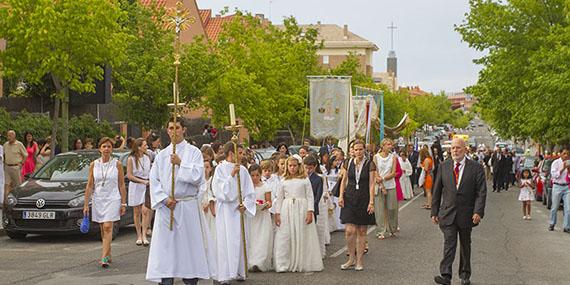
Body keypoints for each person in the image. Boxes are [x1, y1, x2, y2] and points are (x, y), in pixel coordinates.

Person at [145, 118, 216, 285]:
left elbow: (198, 177)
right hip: (166, 208)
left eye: (177, 127)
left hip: (186, 207)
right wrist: (164, 198)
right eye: (171, 128)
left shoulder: (193, 152)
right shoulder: (161, 155)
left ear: (183, 129)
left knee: (188, 249)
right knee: (166, 249)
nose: (174, 131)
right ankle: (166, 279)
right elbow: (153, 180)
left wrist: (180, 163)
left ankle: (190, 279)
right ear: (167, 130)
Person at [431, 138, 487, 285]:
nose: (455, 151)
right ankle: (446, 275)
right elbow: (437, 190)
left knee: (465, 244)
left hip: (466, 214)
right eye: (453, 148)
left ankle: (465, 275)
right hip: (447, 213)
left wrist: (478, 211)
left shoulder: (476, 168)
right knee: (449, 243)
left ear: (465, 149)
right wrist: (434, 211)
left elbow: (481, 192)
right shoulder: (444, 166)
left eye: (458, 148)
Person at [212, 142, 256, 284]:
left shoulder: (243, 170)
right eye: (240, 153)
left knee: (239, 240)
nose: (242, 156)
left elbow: (250, 192)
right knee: (226, 241)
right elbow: (221, 193)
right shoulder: (220, 169)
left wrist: (246, 205)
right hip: (225, 211)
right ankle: (225, 273)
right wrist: (231, 176)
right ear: (231, 153)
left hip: (239, 209)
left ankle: (239, 270)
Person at [83, 137, 127, 268]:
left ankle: (104, 257)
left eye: (109, 146)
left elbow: (121, 184)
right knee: (103, 228)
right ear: (99, 149)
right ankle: (108, 252)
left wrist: (123, 203)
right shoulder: (94, 164)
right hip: (98, 198)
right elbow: (90, 185)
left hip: (113, 198)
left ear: (112, 149)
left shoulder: (117, 164)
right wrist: (86, 204)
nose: (106, 149)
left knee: (108, 226)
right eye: (104, 146)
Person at [274, 156, 324, 273]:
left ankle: (303, 261)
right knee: (286, 235)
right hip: (287, 209)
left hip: (302, 208)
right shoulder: (283, 180)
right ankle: (284, 263)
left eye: (294, 165)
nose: (292, 168)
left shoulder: (305, 179)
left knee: (302, 233)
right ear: (287, 166)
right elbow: (279, 198)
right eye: (290, 166)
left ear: (299, 166)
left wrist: (310, 211)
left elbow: (310, 196)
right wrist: (277, 213)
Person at [338, 140, 375, 271]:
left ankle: (359, 260)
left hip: (364, 198)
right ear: (352, 150)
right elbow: (344, 180)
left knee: (361, 231)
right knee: (349, 230)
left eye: (361, 149)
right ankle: (351, 258)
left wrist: (371, 202)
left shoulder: (370, 164)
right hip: (349, 197)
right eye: (356, 149)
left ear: (364, 150)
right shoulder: (348, 162)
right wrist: (341, 196)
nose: (358, 152)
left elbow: (371, 183)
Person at [247, 164, 273, 272]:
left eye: (257, 175)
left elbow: (269, 202)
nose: (255, 178)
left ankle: (260, 262)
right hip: (251, 217)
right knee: (252, 239)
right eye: (252, 175)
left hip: (262, 216)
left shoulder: (265, 187)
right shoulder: (247, 188)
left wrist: (265, 205)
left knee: (262, 238)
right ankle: (251, 261)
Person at [126, 138, 151, 246]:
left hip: (145, 186)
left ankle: (144, 234)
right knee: (136, 212)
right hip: (136, 186)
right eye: (145, 145)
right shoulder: (131, 159)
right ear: (139, 147)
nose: (147, 147)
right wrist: (142, 181)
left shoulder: (147, 157)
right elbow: (130, 175)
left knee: (145, 211)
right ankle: (139, 235)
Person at [374, 138, 398, 240]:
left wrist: (383, 178)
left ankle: (392, 228)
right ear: (382, 146)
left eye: (390, 144)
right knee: (379, 209)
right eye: (387, 144)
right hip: (379, 185)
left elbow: (393, 173)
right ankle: (380, 230)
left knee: (392, 208)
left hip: (390, 185)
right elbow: (375, 171)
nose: (389, 146)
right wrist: (380, 184)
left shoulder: (393, 157)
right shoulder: (376, 157)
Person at [304, 155, 325, 258]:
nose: (308, 170)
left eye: (310, 168)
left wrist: (311, 207)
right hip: (302, 207)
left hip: (312, 208)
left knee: (312, 230)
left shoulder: (318, 179)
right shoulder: (302, 177)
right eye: (306, 167)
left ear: (315, 167)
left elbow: (318, 195)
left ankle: (313, 252)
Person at [548, 149, 570, 233]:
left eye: (567, 154)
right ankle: (552, 223)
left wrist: (568, 170)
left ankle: (567, 226)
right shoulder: (556, 163)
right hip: (557, 186)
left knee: (568, 208)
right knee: (555, 207)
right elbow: (554, 175)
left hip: (567, 187)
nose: (565, 155)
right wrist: (563, 168)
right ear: (560, 154)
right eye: (564, 153)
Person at [3, 130, 27, 200]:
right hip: (7, 167)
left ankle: (19, 200)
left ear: (14, 136)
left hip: (16, 167)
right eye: (7, 136)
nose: (8, 137)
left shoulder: (19, 144)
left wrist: (21, 163)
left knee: (17, 186)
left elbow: (25, 155)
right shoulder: (5, 144)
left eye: (10, 136)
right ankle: (6, 202)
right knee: (6, 184)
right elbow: (3, 155)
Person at [200, 159, 217, 243]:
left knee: (211, 231)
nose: (205, 170)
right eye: (203, 167)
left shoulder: (212, 181)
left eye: (207, 167)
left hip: (210, 208)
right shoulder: (199, 182)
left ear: (210, 168)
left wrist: (208, 204)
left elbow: (213, 194)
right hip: (201, 208)